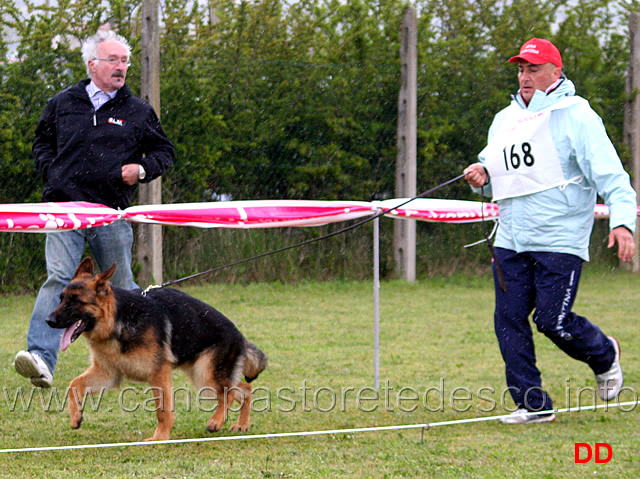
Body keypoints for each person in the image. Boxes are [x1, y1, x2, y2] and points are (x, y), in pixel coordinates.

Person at [464, 38, 637, 424]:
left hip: (559, 239)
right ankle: (533, 404)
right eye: (521, 70)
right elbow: (495, 175)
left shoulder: (577, 115)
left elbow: (612, 176)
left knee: (551, 321)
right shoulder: (504, 119)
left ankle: (605, 354)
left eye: (534, 69)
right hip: (510, 237)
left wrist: (623, 222)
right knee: (508, 319)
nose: (525, 77)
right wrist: (481, 177)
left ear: (556, 73)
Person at [14, 29, 175, 388]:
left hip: (111, 211)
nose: (121, 67)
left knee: (121, 285)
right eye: (113, 60)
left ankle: (134, 354)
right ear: (92, 64)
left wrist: (142, 170)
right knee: (60, 278)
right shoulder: (62, 103)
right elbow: (41, 141)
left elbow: (165, 152)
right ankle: (40, 358)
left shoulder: (138, 111)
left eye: (125, 61)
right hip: (63, 209)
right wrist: (51, 171)